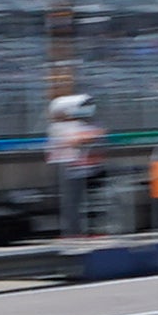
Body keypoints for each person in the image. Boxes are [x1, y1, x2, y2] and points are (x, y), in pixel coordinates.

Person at [44, 93, 105, 239]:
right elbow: (75, 140)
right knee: (72, 203)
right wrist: (90, 135)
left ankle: (85, 230)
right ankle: (72, 232)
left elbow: (93, 135)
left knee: (86, 202)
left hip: (82, 169)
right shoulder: (58, 127)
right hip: (67, 169)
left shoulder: (81, 124)